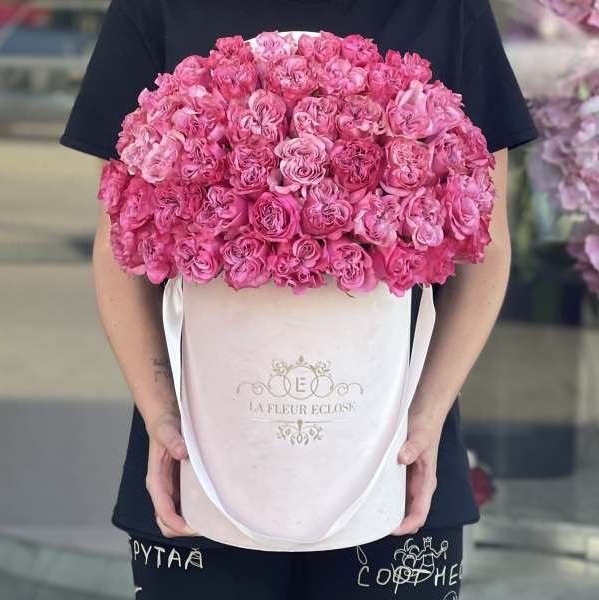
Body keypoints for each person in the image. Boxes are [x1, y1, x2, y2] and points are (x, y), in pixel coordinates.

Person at [59, 0, 539, 597]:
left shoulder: (446, 8)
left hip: (391, 461)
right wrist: (160, 413)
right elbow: (120, 237)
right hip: (201, 460)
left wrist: (428, 416)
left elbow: (486, 243)